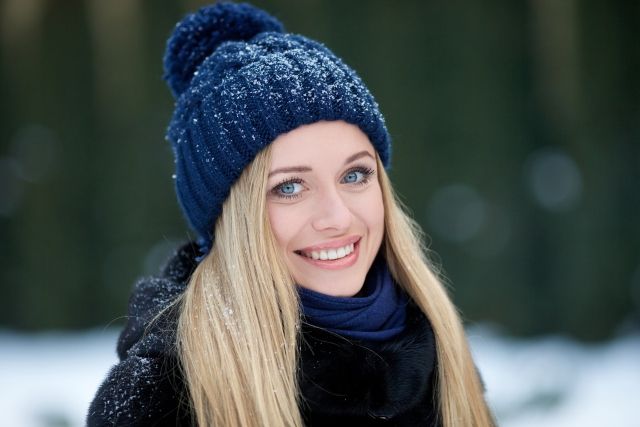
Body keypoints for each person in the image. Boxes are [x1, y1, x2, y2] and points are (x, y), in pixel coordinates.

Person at [88, 2, 494, 426]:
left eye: (355, 175)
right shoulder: (163, 395)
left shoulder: (440, 350)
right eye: (289, 187)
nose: (336, 217)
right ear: (232, 218)